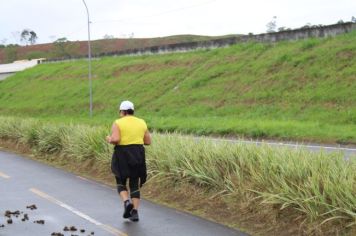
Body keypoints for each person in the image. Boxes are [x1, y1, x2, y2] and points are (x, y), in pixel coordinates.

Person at [106, 100, 151, 222]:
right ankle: (135, 212)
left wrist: (109, 139)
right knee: (134, 182)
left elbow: (116, 139)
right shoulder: (141, 122)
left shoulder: (118, 123)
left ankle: (126, 203)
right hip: (138, 154)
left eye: (120, 111)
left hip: (122, 154)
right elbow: (148, 141)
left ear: (123, 111)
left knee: (120, 180)